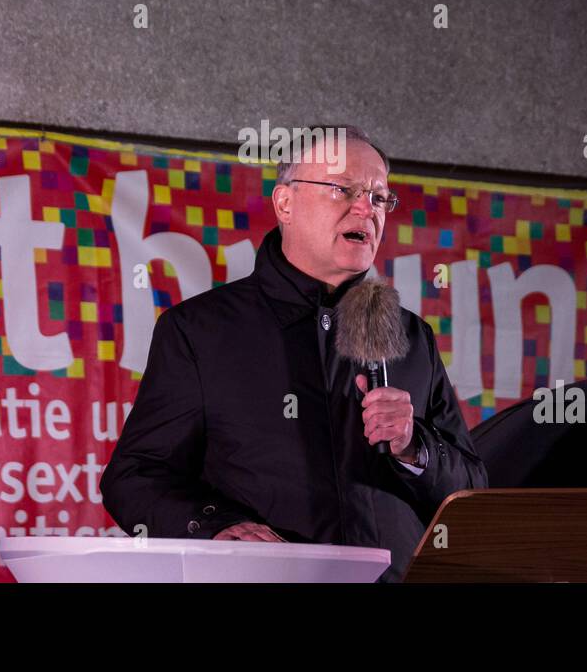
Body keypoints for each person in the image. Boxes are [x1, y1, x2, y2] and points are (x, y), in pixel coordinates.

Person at [100, 125, 487, 581]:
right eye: (344, 189)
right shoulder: (200, 331)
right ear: (285, 203)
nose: (366, 208)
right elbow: (134, 477)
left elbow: (472, 493)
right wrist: (216, 527)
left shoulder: (411, 336)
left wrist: (413, 446)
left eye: (379, 197)